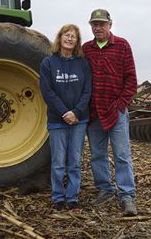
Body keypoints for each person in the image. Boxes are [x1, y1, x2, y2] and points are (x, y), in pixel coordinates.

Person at [82, 9, 138, 216]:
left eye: (101, 24)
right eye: (94, 24)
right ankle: (105, 190)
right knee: (97, 155)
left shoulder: (122, 45)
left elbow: (131, 79)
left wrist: (121, 104)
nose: (97, 27)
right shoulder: (86, 49)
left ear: (110, 25)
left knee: (122, 155)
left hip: (116, 112)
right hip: (94, 111)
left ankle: (127, 195)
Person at [39, 24, 91, 211]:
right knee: (58, 162)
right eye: (66, 35)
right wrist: (64, 113)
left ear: (77, 41)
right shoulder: (48, 63)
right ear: (60, 38)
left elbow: (87, 91)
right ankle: (58, 197)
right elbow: (47, 92)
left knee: (75, 161)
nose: (69, 39)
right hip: (57, 120)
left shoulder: (82, 63)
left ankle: (73, 197)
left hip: (79, 120)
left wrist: (76, 112)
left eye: (73, 37)